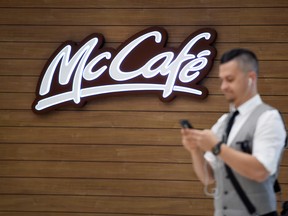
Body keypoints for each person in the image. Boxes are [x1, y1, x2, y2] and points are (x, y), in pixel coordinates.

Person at [181, 48, 286, 216]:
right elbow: (208, 178)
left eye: (229, 79)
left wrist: (217, 147)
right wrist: (194, 150)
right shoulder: (223, 122)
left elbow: (261, 171)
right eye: (221, 80)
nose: (223, 87)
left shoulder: (268, 118)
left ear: (251, 78)